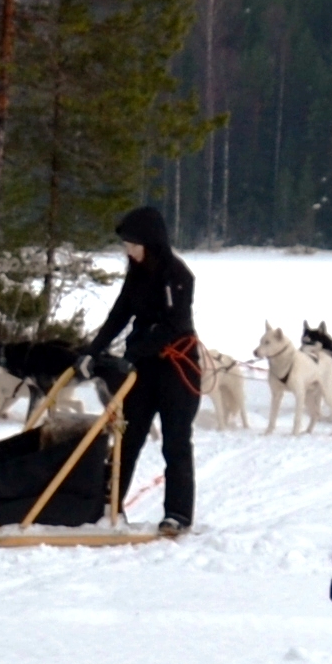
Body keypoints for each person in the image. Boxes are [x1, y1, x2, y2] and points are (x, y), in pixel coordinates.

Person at [82, 200, 202, 532]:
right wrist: (93, 350)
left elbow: (173, 326)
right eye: (126, 245)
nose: (128, 251)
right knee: (127, 437)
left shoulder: (177, 276)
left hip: (177, 369)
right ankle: (107, 506)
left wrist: (133, 351)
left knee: (175, 442)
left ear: (149, 243)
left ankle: (177, 514)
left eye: (132, 245)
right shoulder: (136, 275)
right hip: (144, 369)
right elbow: (120, 313)